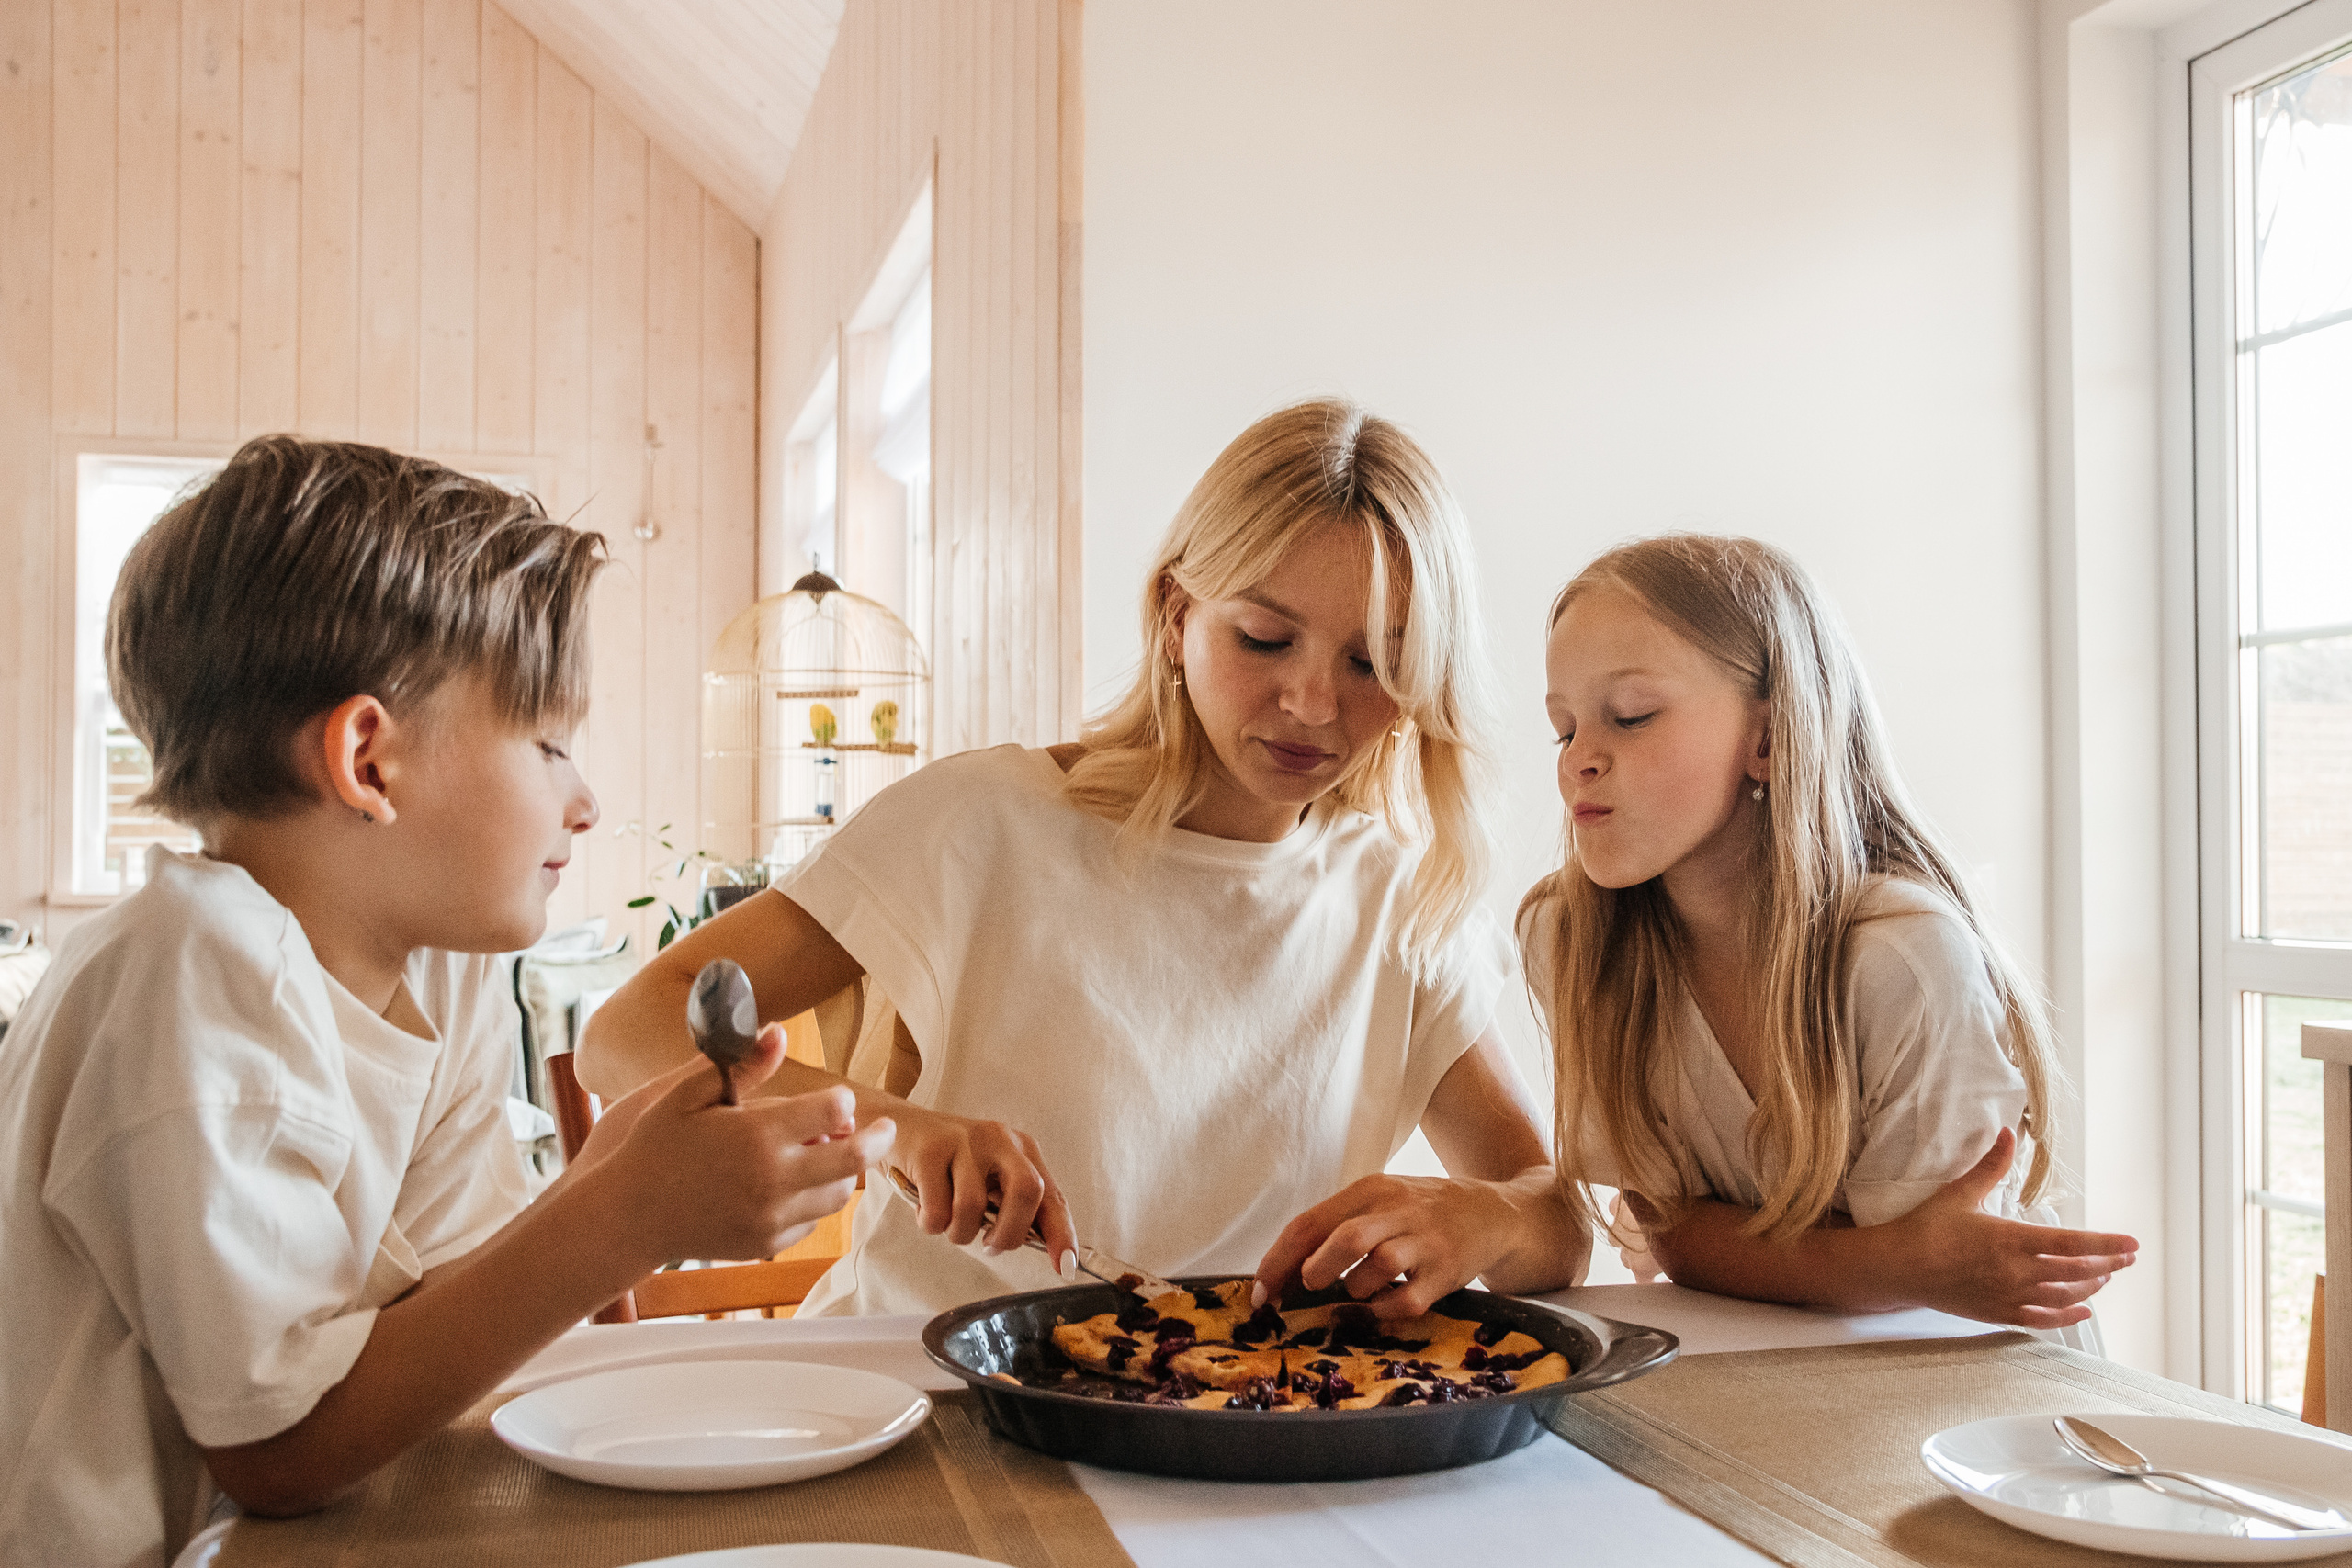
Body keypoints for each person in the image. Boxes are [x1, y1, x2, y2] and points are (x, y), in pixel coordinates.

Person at [0, 437, 893, 1568]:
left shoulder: (440, 966)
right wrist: (621, 1218)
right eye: (549, 741)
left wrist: (607, 1182)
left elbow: (434, 1323)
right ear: (370, 762)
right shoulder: (195, 969)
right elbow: (280, 1449)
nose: (586, 801)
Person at [580, 399, 1589, 1319]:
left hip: (1225, 1418)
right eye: (1266, 639)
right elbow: (627, 1034)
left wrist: (1477, 1219)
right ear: (1173, 618)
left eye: (1375, 661)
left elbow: (1552, 1225)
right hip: (927, 1391)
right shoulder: (985, 820)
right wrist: (897, 1129)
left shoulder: (1396, 893)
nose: (1315, 703)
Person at [1520, 534, 2137, 1330]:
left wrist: (1888, 1263)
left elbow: (1926, 1283)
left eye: (1631, 716)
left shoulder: (1902, 958)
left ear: (1770, 739)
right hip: (1756, 1361)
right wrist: (1887, 1259)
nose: (1580, 761)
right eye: (1564, 729)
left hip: (1964, 1372)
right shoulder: (1571, 939)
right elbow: (1672, 1232)